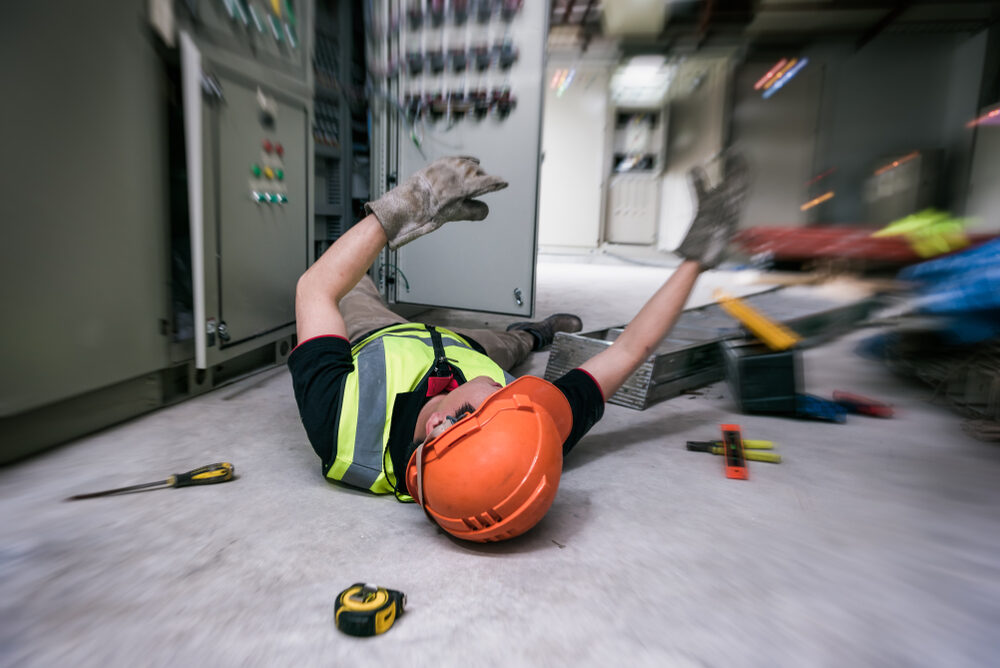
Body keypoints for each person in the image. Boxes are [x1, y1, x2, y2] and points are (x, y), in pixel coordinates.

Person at [290, 155, 748, 543]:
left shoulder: (338, 424)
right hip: (468, 347)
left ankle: (521, 334)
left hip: (378, 339)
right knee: (508, 347)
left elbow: (314, 289)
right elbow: (629, 350)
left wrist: (406, 207)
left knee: (346, 283)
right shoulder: (526, 439)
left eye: (493, 399)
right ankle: (535, 332)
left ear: (438, 423)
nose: (511, 391)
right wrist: (697, 259)